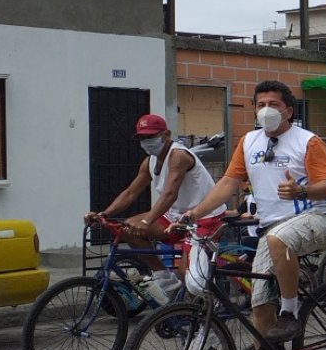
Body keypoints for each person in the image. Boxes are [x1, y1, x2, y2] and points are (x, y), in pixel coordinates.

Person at [179, 80, 326, 350]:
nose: (266, 110)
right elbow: (228, 182)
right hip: (271, 228)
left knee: (279, 239)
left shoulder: (307, 141)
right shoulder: (249, 142)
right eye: (260, 104)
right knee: (260, 301)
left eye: (274, 104)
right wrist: (196, 212)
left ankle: (290, 313)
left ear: (289, 111)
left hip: (315, 219)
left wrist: (302, 191)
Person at [85, 114, 226, 293]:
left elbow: (170, 194)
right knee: (127, 229)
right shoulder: (150, 161)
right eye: (142, 138)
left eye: (150, 137)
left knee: (187, 273)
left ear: (166, 135)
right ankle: (165, 278)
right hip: (177, 216)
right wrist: (104, 214)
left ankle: (197, 306)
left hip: (204, 216)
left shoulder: (178, 155)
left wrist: (147, 221)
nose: (146, 142)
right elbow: (130, 193)